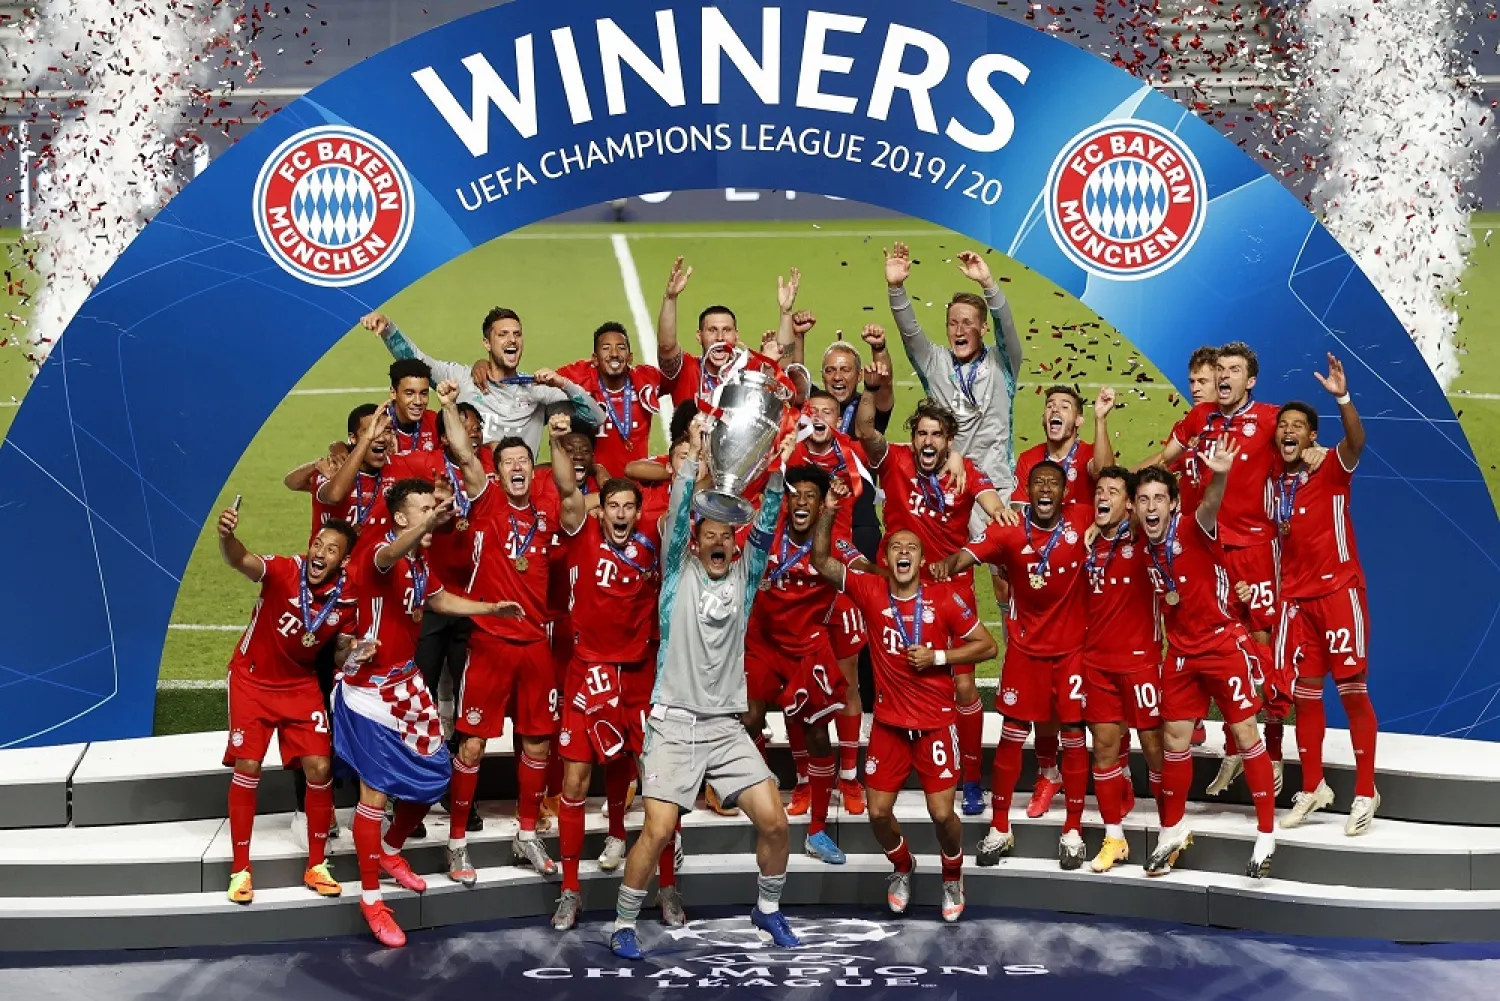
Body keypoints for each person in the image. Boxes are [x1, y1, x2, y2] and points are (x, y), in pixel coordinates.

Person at [607, 426, 800, 960]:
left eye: (725, 536)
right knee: (660, 827)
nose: (718, 542)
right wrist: (689, 462)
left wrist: (778, 470)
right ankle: (624, 922)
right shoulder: (676, 574)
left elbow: (766, 525)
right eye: (709, 534)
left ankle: (766, 910)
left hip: (725, 728)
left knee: (776, 823)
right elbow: (674, 520)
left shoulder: (745, 575)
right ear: (695, 541)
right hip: (673, 724)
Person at [336, 477, 523, 947]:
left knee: (436, 776)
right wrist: (424, 528)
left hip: (405, 683)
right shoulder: (380, 552)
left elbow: (438, 599)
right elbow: (387, 555)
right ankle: (372, 899)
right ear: (401, 518)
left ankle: (389, 850)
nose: (432, 512)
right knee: (374, 795)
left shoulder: (421, 561)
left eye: (433, 507)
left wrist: (490, 609)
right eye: (423, 508)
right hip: (368, 693)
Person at [812, 479, 997, 923]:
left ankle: (952, 874)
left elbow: (987, 646)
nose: (903, 552)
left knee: (941, 813)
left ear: (920, 558)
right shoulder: (871, 591)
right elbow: (820, 560)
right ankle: (902, 867)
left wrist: (939, 656)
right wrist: (830, 510)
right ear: (887, 557)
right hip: (890, 725)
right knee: (877, 812)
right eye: (896, 546)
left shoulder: (944, 598)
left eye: (911, 547)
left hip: (935, 723)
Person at [853, 394, 1016, 815]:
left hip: (952, 589)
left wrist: (997, 517)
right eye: (921, 433)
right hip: (902, 584)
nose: (928, 441)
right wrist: (873, 385)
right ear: (913, 437)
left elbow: (992, 505)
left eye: (937, 435)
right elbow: (867, 432)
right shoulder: (896, 461)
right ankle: (894, 764)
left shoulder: (966, 470)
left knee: (963, 686)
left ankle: (974, 778)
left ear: (948, 442)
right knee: (898, 673)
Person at [933, 460, 1095, 869]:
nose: (1045, 489)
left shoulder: (1082, 517)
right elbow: (966, 556)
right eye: (1038, 483)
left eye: (1053, 484)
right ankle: (1000, 827)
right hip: (1024, 651)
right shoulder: (1008, 527)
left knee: (1074, 737)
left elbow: (1118, 497)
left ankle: (1073, 830)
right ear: (1028, 491)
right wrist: (941, 567)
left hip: (1072, 651)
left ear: (1064, 493)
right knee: (1010, 738)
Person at [435, 382, 564, 885]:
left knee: (536, 747)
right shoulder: (485, 500)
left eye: (523, 462)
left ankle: (526, 835)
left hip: (534, 646)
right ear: (498, 470)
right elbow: (465, 453)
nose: (516, 468)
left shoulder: (544, 514)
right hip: (489, 643)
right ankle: (457, 844)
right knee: (471, 748)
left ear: (533, 471)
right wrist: (448, 406)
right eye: (508, 461)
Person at [1133, 445, 1281, 879]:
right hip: (1180, 653)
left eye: (1159, 498)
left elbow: (1212, 503)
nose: (1151, 506)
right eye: (1143, 500)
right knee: (1174, 740)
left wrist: (1218, 476)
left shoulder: (1195, 525)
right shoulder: (1145, 542)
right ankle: (1172, 829)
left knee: (1244, 731)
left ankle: (1266, 833)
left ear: (1174, 502)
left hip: (1220, 645)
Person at [1150, 343, 1288, 795]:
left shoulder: (1269, 418)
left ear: (1250, 380)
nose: (1224, 376)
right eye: (1220, 370)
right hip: (1209, 553)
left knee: (1259, 648)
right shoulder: (1200, 418)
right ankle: (1234, 750)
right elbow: (1165, 461)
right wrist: (1117, 482)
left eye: (1233, 370)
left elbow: (1303, 443)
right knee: (1217, 646)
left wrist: (1314, 453)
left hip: (1254, 550)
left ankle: (1272, 751)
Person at [549, 452, 672, 929]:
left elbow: (684, 513)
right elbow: (566, 490)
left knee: (659, 785)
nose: (620, 514)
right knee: (575, 782)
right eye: (612, 506)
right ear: (601, 511)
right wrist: (559, 439)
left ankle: (667, 889)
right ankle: (570, 891)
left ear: (638, 512)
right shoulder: (584, 538)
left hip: (639, 678)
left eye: (628, 507)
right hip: (588, 673)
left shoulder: (654, 546)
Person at [216, 508, 357, 905]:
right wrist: (226, 537)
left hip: (299, 684)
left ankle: (316, 864)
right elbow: (241, 560)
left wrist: (355, 653)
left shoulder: (346, 600)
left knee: (320, 766)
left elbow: (340, 653)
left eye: (331, 549)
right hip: (252, 679)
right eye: (317, 544)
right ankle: (240, 869)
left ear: (342, 561)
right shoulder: (282, 570)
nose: (320, 553)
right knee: (248, 765)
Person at [1269, 356, 1379, 835]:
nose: (1289, 431)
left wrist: (1342, 397)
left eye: (1298, 426)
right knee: (1305, 697)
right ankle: (1314, 786)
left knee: (1352, 692)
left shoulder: (1331, 467)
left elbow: (1357, 442)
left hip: (1338, 592)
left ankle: (1365, 790)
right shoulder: (1274, 484)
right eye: (1283, 426)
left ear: (1312, 436)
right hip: (1298, 602)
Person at [743, 464, 859, 866]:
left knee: (817, 736)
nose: (802, 502)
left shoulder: (834, 544)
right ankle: (762, 791)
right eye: (797, 495)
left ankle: (818, 830)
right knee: (748, 718)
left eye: (811, 496)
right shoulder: (766, 536)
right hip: (763, 642)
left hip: (808, 647)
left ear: (823, 502)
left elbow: (862, 572)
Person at [786, 391, 872, 815]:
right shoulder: (788, 452)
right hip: (793, 585)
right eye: (812, 411)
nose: (819, 417)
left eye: (828, 412)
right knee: (793, 686)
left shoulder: (851, 453)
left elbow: (873, 454)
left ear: (840, 418)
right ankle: (805, 780)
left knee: (848, 680)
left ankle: (850, 778)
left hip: (838, 576)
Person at [819, 327, 896, 804]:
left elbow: (880, 397)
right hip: (821, 538)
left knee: (862, 627)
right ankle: (824, 767)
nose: (839, 377)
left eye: (847, 370)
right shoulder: (811, 419)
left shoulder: (860, 421)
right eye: (832, 371)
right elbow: (797, 381)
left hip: (861, 531)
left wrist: (877, 357)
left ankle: (862, 723)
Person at [1077, 467, 1166, 872]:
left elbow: (1152, 513)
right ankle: (1115, 837)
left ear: (1128, 502)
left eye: (1113, 492)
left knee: (1155, 751)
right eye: (1099, 491)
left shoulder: (1143, 538)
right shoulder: (1086, 540)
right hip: (1097, 665)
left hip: (1141, 663)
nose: (1103, 497)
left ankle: (1169, 832)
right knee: (1105, 752)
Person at [883, 244, 1023, 500]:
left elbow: (1007, 326)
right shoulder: (934, 363)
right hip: (944, 485)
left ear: (983, 329)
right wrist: (896, 289)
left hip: (996, 485)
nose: (959, 331)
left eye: (968, 323)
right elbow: (910, 332)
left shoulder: (1002, 362)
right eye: (953, 323)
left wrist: (989, 285)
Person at [362, 309, 604, 453]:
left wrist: (563, 384)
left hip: (516, 492)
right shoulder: (461, 377)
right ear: (487, 344)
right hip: (472, 489)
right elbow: (418, 362)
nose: (512, 341)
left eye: (517, 334)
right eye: (503, 335)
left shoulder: (538, 390)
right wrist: (387, 329)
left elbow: (596, 418)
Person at [655, 256, 797, 405]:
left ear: (736, 335)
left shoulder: (750, 369)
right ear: (699, 336)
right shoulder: (686, 370)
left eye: (727, 330)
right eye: (712, 330)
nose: (720, 337)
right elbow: (666, 346)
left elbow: (782, 362)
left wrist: (786, 313)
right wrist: (670, 298)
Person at [556, 321, 666, 478]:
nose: (614, 354)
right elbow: (544, 384)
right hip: (595, 486)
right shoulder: (579, 379)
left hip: (637, 486)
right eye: (606, 348)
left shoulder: (647, 380)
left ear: (630, 357)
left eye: (621, 348)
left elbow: (676, 371)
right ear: (594, 359)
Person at [1011, 385, 1118, 508]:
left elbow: (1106, 473)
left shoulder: (1090, 453)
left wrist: (1100, 418)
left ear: (1078, 420)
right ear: (1043, 420)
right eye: (1050, 406)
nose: (1055, 410)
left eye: (1065, 407)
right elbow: (1018, 509)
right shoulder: (1028, 459)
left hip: (1085, 527)